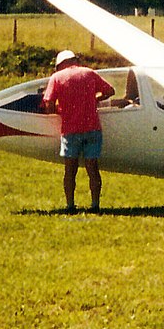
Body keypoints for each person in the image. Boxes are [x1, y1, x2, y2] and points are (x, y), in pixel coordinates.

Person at [41, 50, 114, 214]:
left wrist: (60, 110)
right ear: (75, 60)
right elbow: (110, 91)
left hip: (70, 129)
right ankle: (95, 205)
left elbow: (49, 105)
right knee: (92, 169)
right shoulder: (89, 73)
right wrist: (94, 99)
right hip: (92, 128)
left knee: (70, 171)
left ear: (60, 65)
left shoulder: (57, 78)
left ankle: (70, 205)